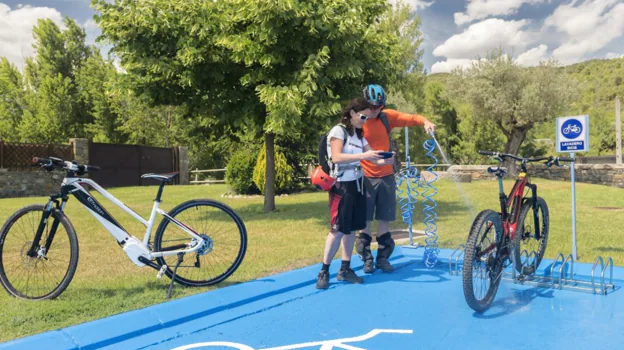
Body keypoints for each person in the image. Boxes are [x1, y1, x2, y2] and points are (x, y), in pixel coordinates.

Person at [356, 84, 436, 273]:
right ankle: (366, 258)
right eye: (373, 106)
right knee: (365, 222)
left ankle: (382, 258)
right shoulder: (358, 121)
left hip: (386, 177)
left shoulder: (387, 117)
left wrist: (426, 122)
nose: (376, 110)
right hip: (365, 178)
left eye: (379, 106)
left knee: (385, 219)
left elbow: (412, 118)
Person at [316, 98, 394, 289]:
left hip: (357, 185)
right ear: (351, 113)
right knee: (337, 230)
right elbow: (337, 157)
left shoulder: (359, 136)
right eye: (362, 116)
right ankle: (324, 271)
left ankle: (345, 268)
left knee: (350, 229)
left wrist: (387, 160)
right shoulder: (338, 131)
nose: (365, 120)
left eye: (367, 118)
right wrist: (363, 156)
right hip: (341, 187)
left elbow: (374, 158)